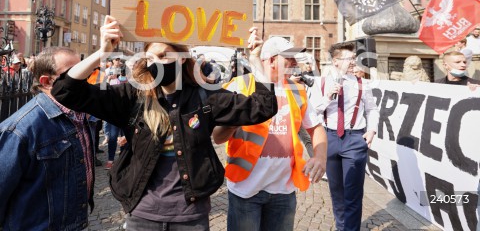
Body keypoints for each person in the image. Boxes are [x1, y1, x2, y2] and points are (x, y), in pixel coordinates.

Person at [51, 15, 277, 230]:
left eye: (163, 56)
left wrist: (255, 58)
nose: (156, 63)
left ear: (182, 58)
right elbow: (65, 92)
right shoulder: (133, 97)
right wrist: (102, 52)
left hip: (191, 216)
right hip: (143, 214)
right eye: (150, 58)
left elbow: (263, 106)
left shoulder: (205, 96)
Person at [212, 35, 327, 231]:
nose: (294, 62)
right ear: (271, 60)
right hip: (245, 190)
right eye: (288, 57)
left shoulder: (297, 90)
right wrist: (233, 123)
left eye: (294, 57)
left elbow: (316, 128)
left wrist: (320, 157)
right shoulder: (239, 86)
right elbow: (217, 136)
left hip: (284, 191)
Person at [0, 47, 95, 230]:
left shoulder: (81, 114)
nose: (82, 76)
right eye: (72, 72)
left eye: (83, 68)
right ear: (47, 81)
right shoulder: (20, 129)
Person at [313, 42, 379, 231]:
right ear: (335, 61)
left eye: (353, 58)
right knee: (336, 191)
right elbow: (312, 112)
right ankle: (341, 226)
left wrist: (372, 129)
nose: (353, 62)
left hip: (354, 139)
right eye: (349, 58)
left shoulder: (362, 84)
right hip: (329, 138)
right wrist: (327, 98)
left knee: (353, 193)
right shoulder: (321, 83)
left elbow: (372, 109)